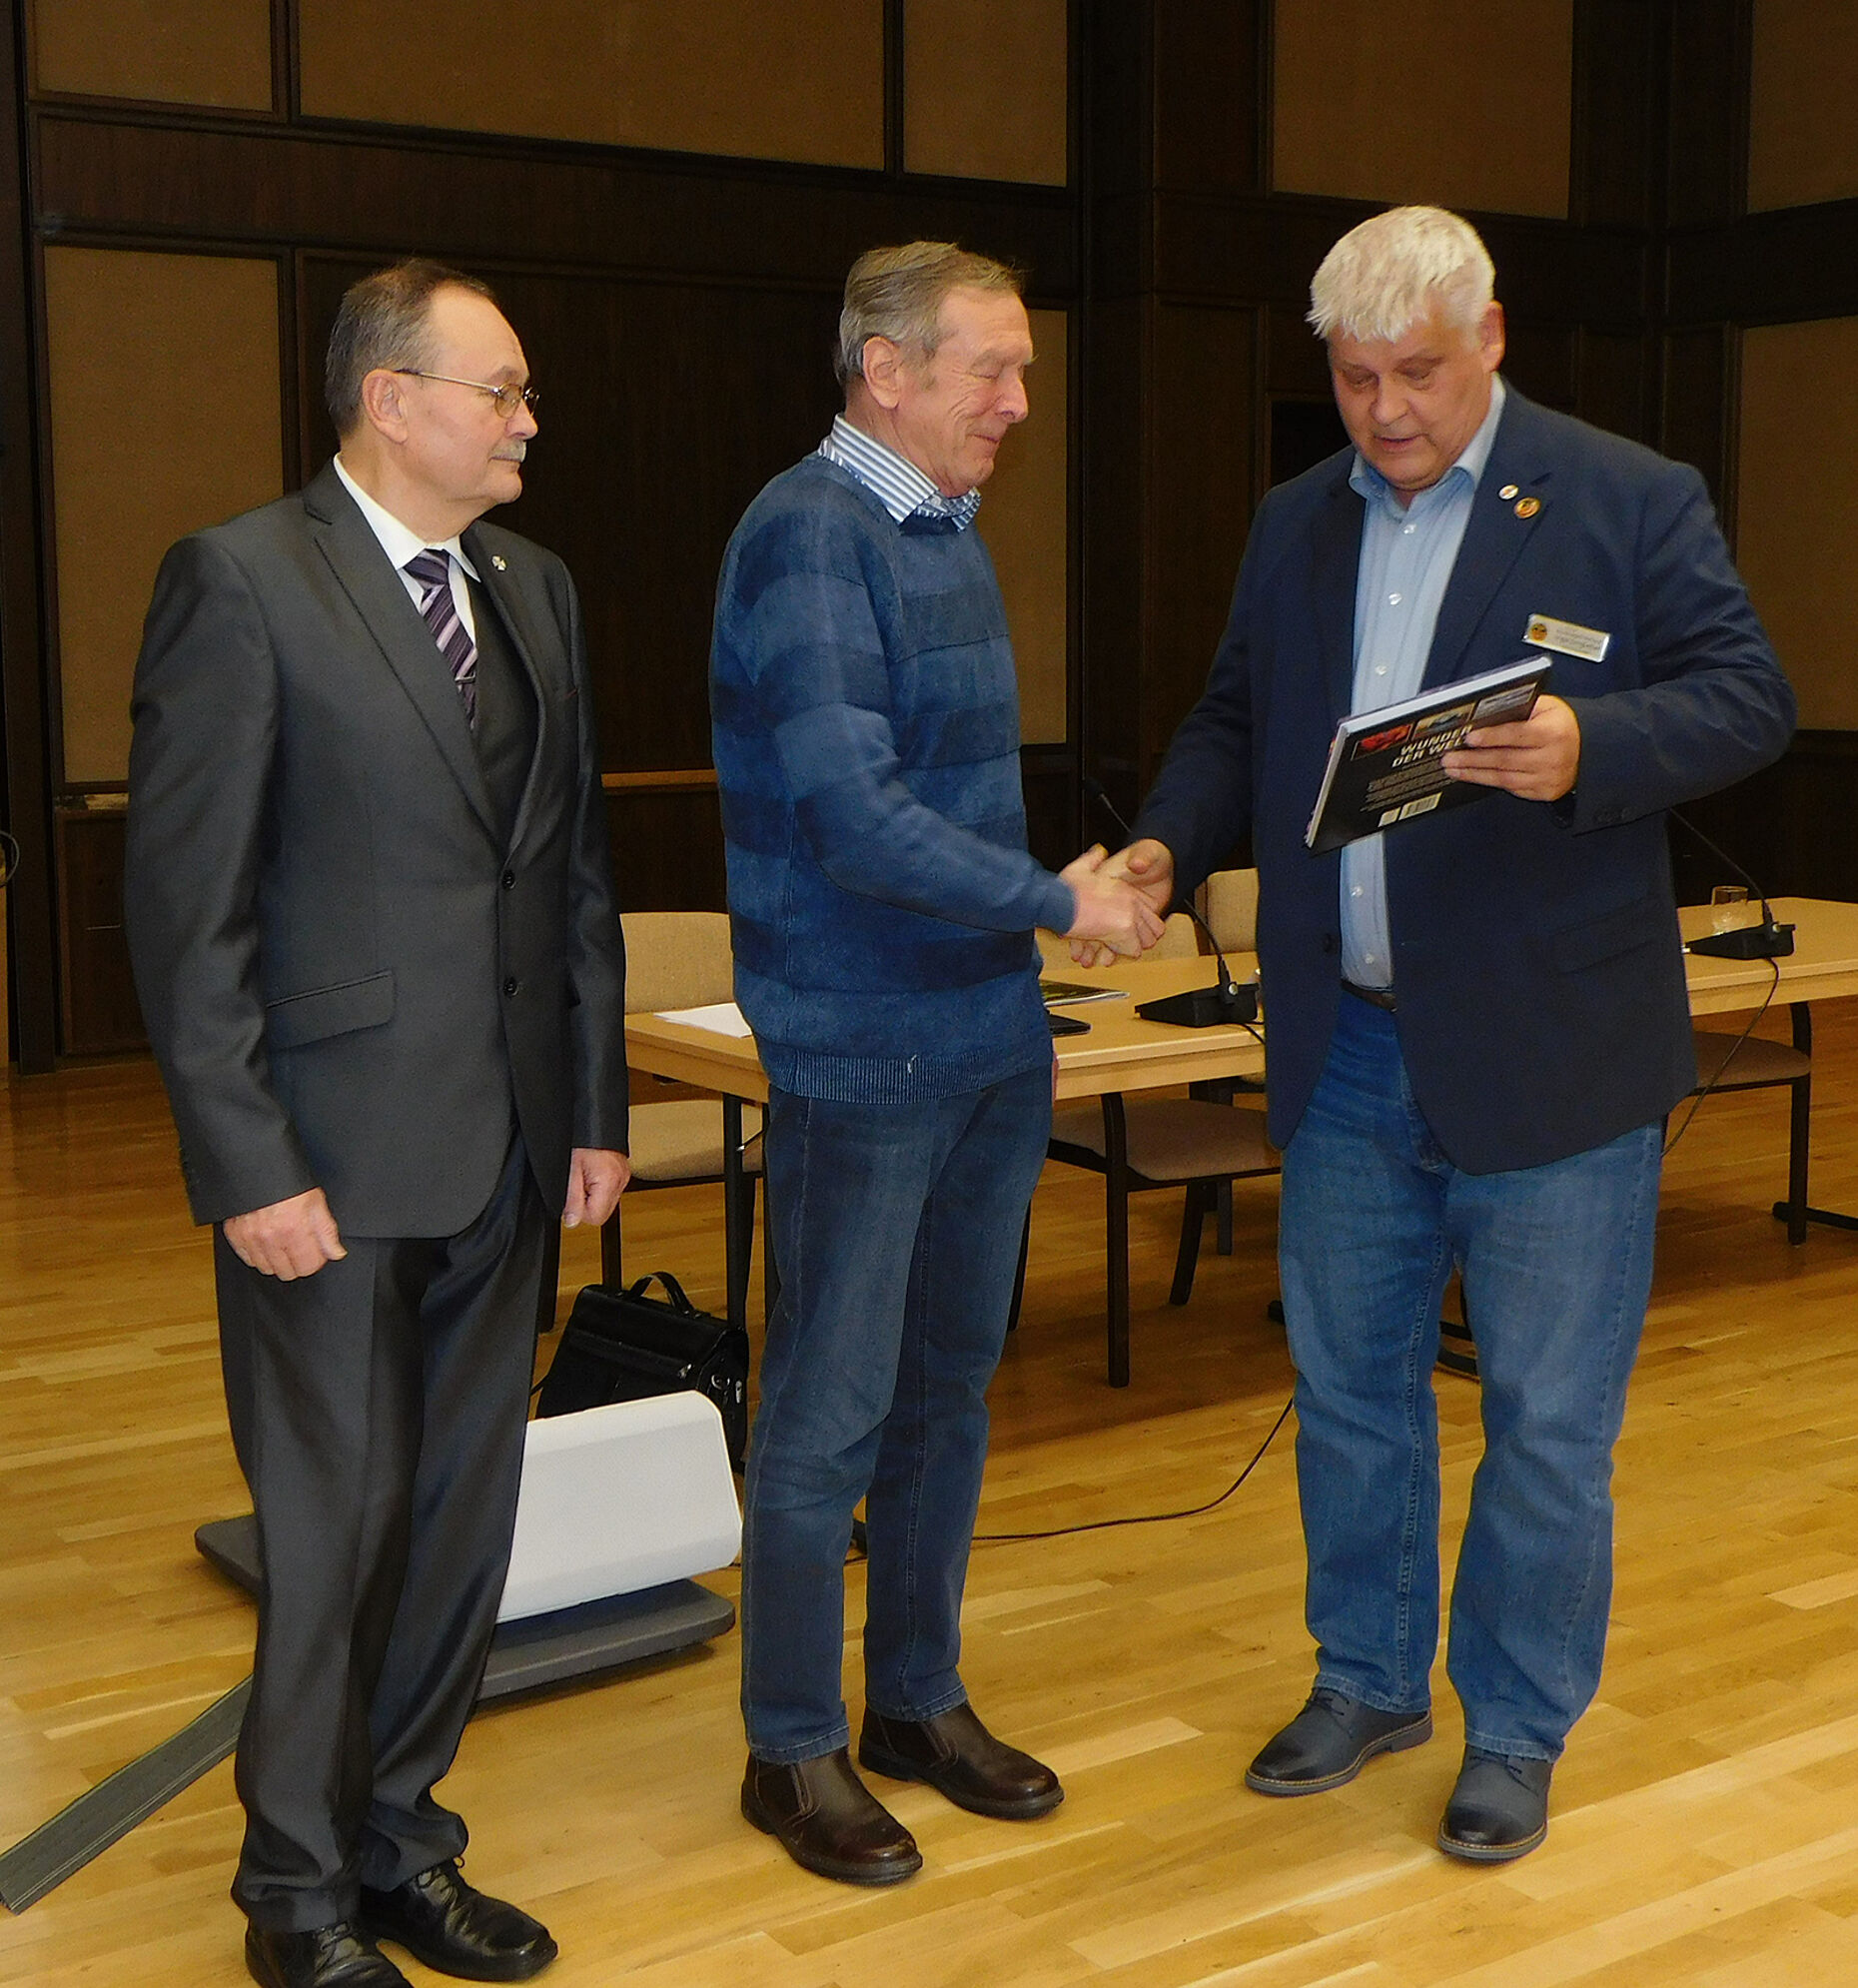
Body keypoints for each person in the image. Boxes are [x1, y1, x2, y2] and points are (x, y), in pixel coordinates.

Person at [1100, 206, 1795, 1862]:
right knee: (1351, 1395)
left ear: (1491, 334)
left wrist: (1593, 745)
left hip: (1556, 1055)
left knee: (1549, 1421)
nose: (1386, 408)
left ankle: (1519, 1728)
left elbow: (1750, 695)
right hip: (1348, 1046)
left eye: (1417, 370)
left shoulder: (1628, 497)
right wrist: (1162, 844)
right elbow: (1230, 716)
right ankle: (1366, 1678)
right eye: (1353, 378)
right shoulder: (1295, 523)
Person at [126, 260, 629, 1988]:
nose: (524, 421)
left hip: (507, 1148)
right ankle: (294, 1895)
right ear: (390, 398)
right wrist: (245, 1162)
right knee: (334, 1533)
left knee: (459, 1526)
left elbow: (569, 879)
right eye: (500, 390)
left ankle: (405, 1840)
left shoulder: (537, 589)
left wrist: (594, 1107)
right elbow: (187, 916)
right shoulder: (244, 582)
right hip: (325, 1166)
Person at [710, 241, 1161, 1886]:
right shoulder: (808, 536)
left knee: (950, 1393)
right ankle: (791, 1745)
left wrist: (1060, 910)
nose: (1019, 402)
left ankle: (912, 1700)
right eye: (993, 368)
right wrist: (1064, 901)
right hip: (860, 1045)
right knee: (827, 1409)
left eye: (1023, 370)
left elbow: (953, 806)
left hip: (983, 1036)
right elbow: (850, 814)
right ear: (884, 371)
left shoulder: (940, 534)